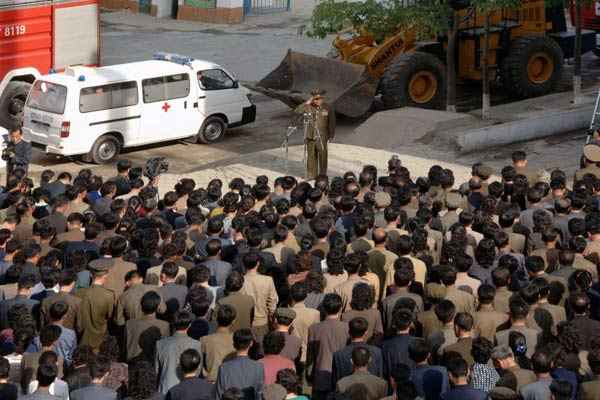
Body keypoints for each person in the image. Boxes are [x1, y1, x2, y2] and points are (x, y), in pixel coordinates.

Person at [155, 311, 201, 394]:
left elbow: (156, 370)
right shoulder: (196, 344)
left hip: (166, 389)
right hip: (187, 390)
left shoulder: (160, 344)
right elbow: (197, 371)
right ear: (189, 325)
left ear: (173, 324)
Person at [294, 89, 336, 179]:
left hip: (322, 136)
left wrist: (331, 135)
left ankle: (322, 175)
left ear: (322, 98)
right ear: (312, 99)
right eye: (315, 99)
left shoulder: (328, 107)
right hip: (310, 136)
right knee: (311, 157)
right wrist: (307, 102)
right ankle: (311, 175)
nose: (317, 101)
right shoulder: (308, 106)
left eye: (319, 99)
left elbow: (332, 122)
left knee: (323, 156)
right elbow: (297, 111)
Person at [215, 328, 264, 400]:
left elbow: (219, 395)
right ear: (251, 343)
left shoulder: (223, 368)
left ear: (234, 344)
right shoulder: (258, 367)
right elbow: (259, 394)